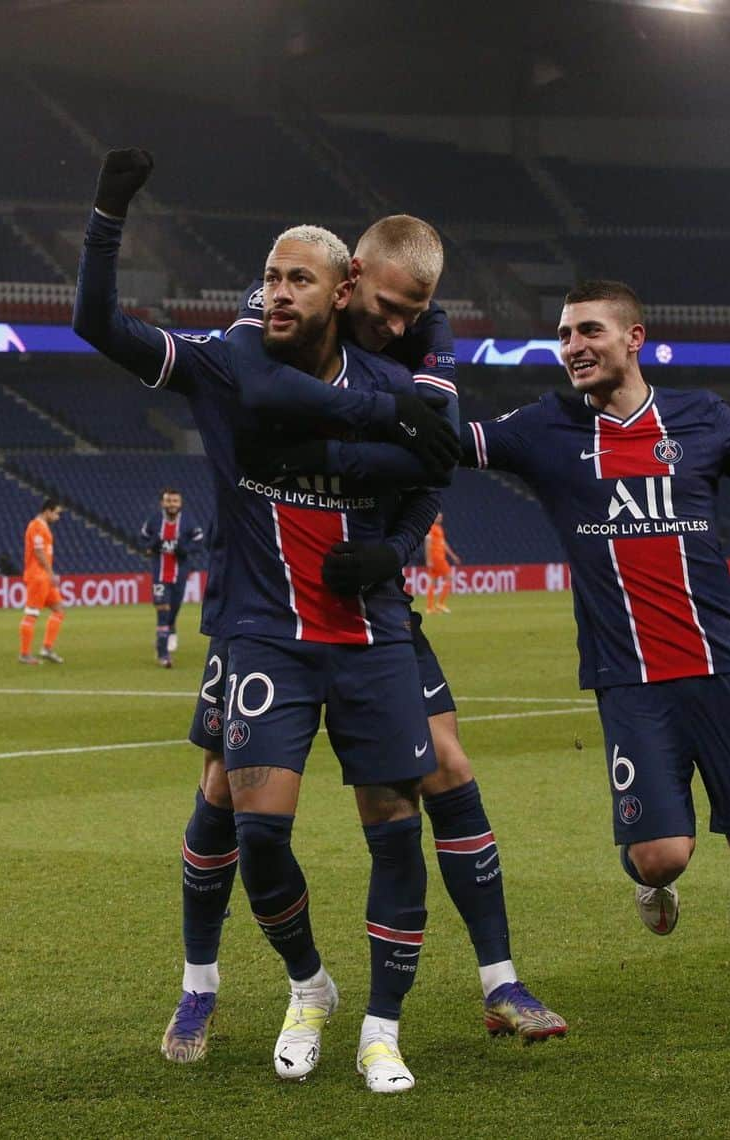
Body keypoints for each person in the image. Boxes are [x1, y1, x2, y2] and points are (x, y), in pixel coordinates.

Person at [75, 147, 461, 1092]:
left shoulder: (385, 374)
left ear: (344, 291)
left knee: (394, 824)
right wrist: (107, 218)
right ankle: (307, 984)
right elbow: (99, 325)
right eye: (270, 276)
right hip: (260, 632)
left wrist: (399, 544)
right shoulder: (225, 363)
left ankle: (381, 1028)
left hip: (366, 631)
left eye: (299, 279)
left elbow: (437, 455)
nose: (276, 292)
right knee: (250, 828)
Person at [168, 218, 566, 1070]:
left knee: (447, 767)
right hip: (259, 594)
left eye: (412, 312)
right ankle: (202, 981)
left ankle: (499, 979)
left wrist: (396, 544)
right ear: (348, 280)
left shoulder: (422, 332)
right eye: (385, 306)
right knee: (225, 791)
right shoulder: (273, 309)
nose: (396, 324)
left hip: (371, 598)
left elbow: (434, 452)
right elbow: (262, 410)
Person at [463, 278, 730, 1056]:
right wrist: (414, 357)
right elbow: (445, 441)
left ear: (634, 337)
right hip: (631, 677)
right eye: (565, 335)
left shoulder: (701, 416)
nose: (572, 346)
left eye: (589, 331)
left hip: (723, 664)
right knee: (662, 854)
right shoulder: (544, 428)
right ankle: (652, 877)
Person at [138, 487, 203, 667]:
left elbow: (199, 542)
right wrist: (153, 544)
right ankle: (163, 654)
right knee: (163, 611)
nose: (171, 504)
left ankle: (171, 629)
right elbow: (142, 541)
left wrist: (185, 550)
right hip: (160, 575)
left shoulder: (188, 522)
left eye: (175, 501)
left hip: (180, 575)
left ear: (180, 503)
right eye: (168, 501)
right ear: (162, 503)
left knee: (173, 611)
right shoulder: (154, 520)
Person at [19, 497, 65, 665]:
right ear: (47, 511)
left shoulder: (43, 526)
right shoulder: (36, 526)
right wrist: (51, 573)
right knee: (32, 614)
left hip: (44, 577)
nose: (58, 517)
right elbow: (38, 553)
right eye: (56, 513)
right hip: (38, 576)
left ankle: (46, 648)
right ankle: (24, 654)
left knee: (59, 609)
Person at [424, 511, 460, 613]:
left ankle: (429, 608)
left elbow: (443, 543)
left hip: (438, 557)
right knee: (449, 577)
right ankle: (440, 603)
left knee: (432, 581)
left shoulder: (439, 528)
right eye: (438, 517)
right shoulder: (431, 528)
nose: (440, 519)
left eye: (441, 517)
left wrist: (453, 556)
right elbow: (427, 542)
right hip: (437, 558)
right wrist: (428, 559)